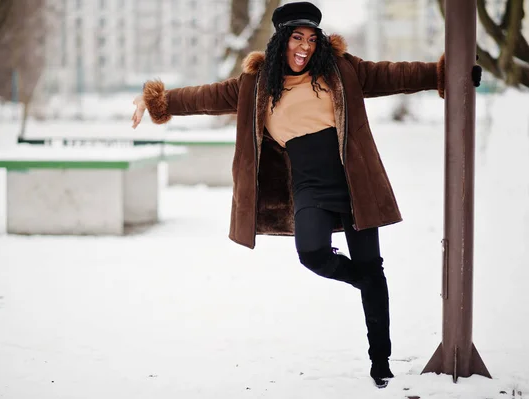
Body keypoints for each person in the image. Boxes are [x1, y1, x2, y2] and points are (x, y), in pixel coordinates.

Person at [131, 1, 482, 388]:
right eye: (297, 37)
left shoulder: (339, 69)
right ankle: (365, 282)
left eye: (312, 39)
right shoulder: (256, 84)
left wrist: (446, 73)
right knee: (312, 253)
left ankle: (380, 360)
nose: (305, 46)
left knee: (371, 263)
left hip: (355, 181)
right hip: (309, 187)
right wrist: (156, 103)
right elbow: (206, 97)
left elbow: (390, 74)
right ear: (281, 40)